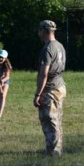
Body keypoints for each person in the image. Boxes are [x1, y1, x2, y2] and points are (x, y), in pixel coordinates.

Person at [34, 19, 66, 156]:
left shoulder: (48, 48)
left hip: (50, 89)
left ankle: (53, 153)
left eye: (39, 30)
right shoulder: (60, 46)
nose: (38, 33)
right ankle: (55, 150)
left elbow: (44, 73)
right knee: (56, 120)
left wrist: (38, 94)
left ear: (43, 31)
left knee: (49, 120)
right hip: (60, 86)